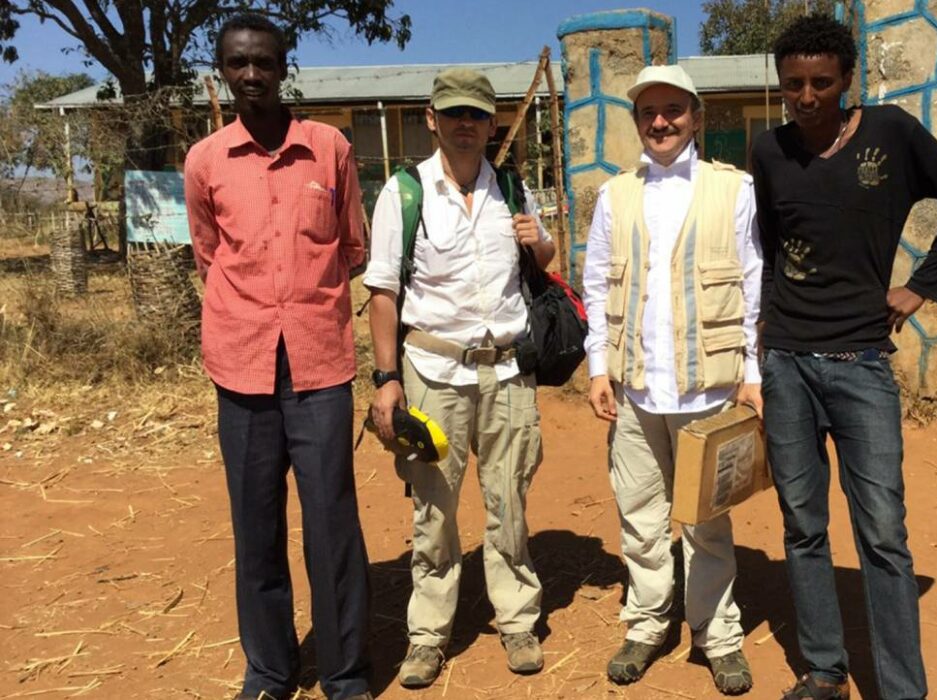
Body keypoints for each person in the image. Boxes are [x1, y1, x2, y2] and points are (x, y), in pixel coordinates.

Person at [750, 15, 937, 700]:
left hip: (860, 364)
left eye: (822, 82)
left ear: (848, 80)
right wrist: (764, 331)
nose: (807, 96)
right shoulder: (768, 151)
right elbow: (771, 248)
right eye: (793, 83)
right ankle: (825, 670)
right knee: (803, 525)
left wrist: (921, 287)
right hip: (787, 364)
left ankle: (902, 688)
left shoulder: (891, 133)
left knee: (882, 533)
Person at [184, 13, 373, 700]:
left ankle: (345, 673)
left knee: (332, 523)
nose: (251, 74)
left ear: (283, 67)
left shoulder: (329, 149)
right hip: (241, 366)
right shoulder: (205, 161)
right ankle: (269, 669)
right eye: (238, 63)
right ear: (221, 71)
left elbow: (353, 248)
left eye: (263, 62)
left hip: (319, 366)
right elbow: (210, 255)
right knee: (255, 525)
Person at [363, 67, 555, 689]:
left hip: (508, 372)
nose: (465, 124)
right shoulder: (405, 193)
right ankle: (428, 634)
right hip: (433, 372)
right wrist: (386, 378)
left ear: (493, 123)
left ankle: (517, 619)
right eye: (454, 114)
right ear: (432, 119)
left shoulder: (513, 188)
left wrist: (539, 242)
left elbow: (545, 261)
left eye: (476, 114)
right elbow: (383, 291)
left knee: (509, 501)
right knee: (433, 508)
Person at [582, 64, 763, 696]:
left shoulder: (732, 189)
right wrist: (598, 367)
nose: (660, 123)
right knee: (640, 514)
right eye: (648, 112)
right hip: (635, 389)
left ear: (696, 117)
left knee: (706, 522)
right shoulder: (615, 195)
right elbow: (597, 282)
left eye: (673, 111)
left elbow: (753, 284)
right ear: (637, 121)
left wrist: (752, 372)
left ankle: (717, 634)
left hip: (708, 387)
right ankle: (648, 621)